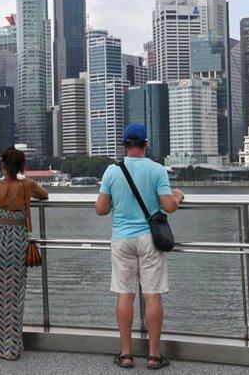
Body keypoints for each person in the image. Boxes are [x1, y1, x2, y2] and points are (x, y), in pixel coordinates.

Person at [95, 123, 184, 370]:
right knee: (152, 295)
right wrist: (178, 196)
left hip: (122, 239)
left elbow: (101, 209)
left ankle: (126, 354)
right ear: (146, 143)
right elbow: (168, 206)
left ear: (124, 145)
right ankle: (154, 356)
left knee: (125, 295)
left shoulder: (112, 172)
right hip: (149, 240)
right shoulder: (157, 170)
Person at [0, 146, 49, 360]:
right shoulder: (27, 185)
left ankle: (1, 347)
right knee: (16, 296)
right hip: (18, 245)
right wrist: (24, 178)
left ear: (2, 165)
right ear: (21, 166)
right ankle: (14, 346)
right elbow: (44, 195)